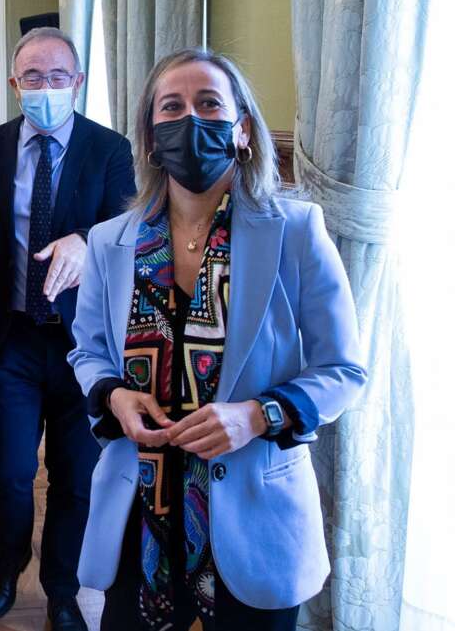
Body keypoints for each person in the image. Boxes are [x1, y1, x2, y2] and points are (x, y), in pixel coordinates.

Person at [68, 48, 367, 631]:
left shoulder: (297, 232)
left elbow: (344, 370)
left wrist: (258, 415)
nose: (190, 121)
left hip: (254, 519)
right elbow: (87, 350)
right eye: (171, 107)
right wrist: (113, 395)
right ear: (152, 138)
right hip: (140, 518)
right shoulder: (109, 241)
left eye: (209, 105)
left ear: (243, 129)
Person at [0, 27, 136, 631]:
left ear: (77, 82)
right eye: (33, 77)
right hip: (14, 337)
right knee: (6, 469)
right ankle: (7, 564)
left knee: (75, 476)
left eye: (58, 77)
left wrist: (85, 241)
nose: (46, 87)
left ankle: (61, 588)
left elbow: (130, 233)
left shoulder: (109, 150)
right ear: (14, 84)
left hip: (86, 346)